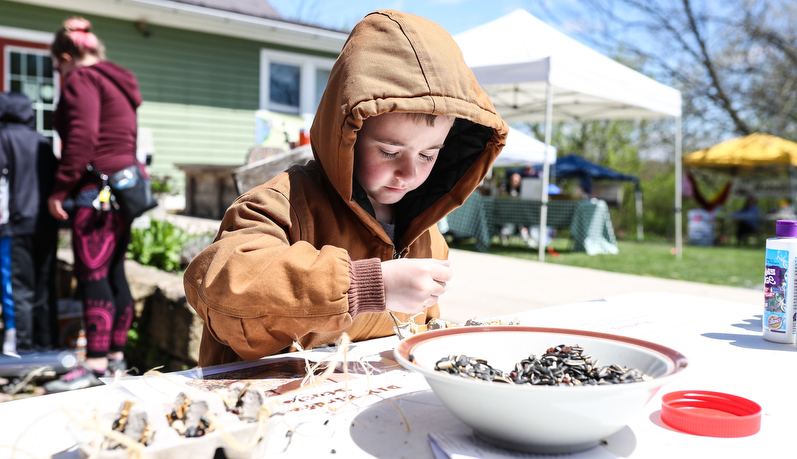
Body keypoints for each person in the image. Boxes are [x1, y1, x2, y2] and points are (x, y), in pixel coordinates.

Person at [183, 10, 508, 367]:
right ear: (346, 137)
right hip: (262, 407)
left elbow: (420, 327)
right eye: (389, 151)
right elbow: (223, 289)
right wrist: (365, 286)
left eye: (429, 155)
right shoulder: (281, 205)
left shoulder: (426, 234)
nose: (408, 172)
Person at [44, 17, 141, 392]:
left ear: (68, 57)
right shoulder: (119, 82)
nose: (59, 72)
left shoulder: (83, 80)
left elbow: (82, 141)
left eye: (57, 65)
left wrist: (58, 190)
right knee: (115, 273)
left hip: (94, 193)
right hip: (123, 191)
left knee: (93, 277)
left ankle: (95, 366)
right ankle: (116, 361)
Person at [0, 91, 59, 356]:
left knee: (18, 288)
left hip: (15, 225)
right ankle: (47, 345)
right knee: (44, 286)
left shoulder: (2, 138)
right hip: (47, 225)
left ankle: (21, 349)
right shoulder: (42, 141)